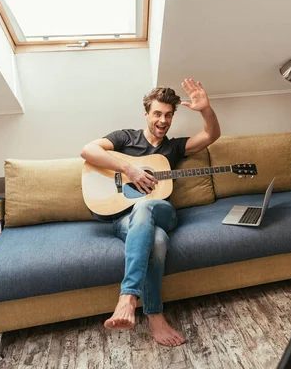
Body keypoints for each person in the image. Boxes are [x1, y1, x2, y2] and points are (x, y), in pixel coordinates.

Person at [80, 79, 220, 347]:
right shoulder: (125, 138)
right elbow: (88, 151)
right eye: (157, 113)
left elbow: (210, 136)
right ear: (146, 114)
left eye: (168, 115)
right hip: (121, 218)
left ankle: (128, 296)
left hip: (164, 211)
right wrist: (129, 170)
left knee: (144, 204)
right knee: (156, 241)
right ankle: (155, 315)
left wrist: (205, 110)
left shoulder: (174, 148)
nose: (162, 120)